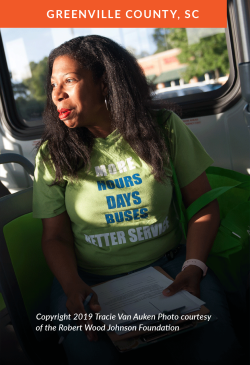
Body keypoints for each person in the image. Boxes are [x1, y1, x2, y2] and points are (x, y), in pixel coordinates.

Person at [33, 35, 242, 365]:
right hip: (90, 280)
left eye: (69, 80)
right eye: (53, 84)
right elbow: (55, 236)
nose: (57, 93)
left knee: (214, 346)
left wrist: (194, 265)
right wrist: (72, 284)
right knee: (90, 355)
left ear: (105, 83)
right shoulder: (53, 154)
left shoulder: (163, 128)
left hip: (172, 267)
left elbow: (203, 204)